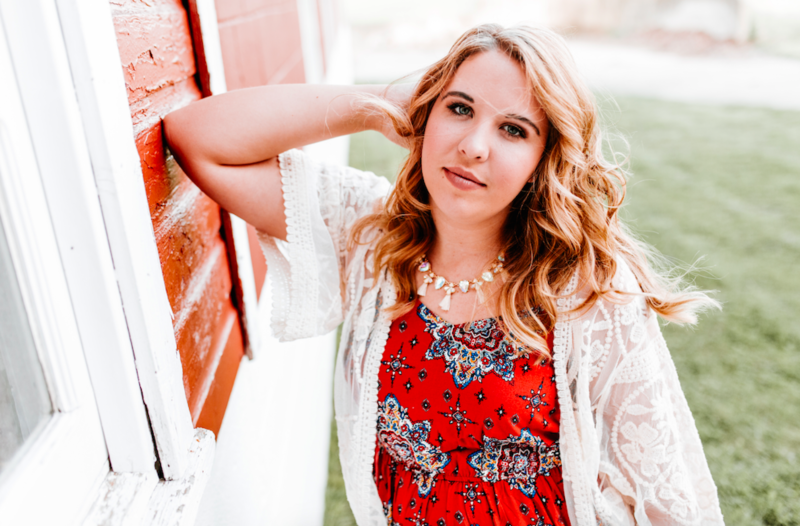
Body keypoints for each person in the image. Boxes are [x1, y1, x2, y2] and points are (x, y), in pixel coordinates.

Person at [163, 24, 725, 526]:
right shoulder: (369, 234)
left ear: (543, 161)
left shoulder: (584, 287)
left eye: (513, 130)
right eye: (459, 108)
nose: (473, 146)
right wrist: (376, 105)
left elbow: (667, 495)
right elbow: (199, 138)